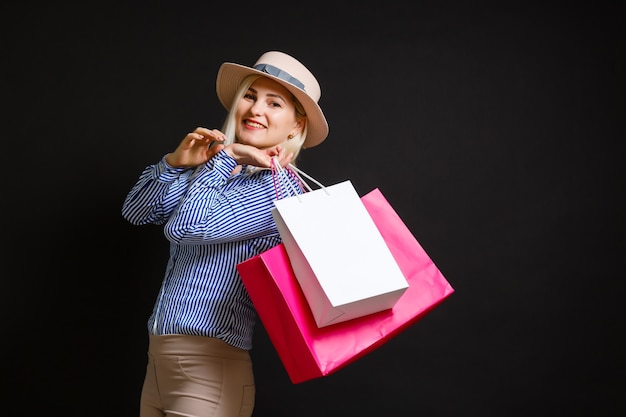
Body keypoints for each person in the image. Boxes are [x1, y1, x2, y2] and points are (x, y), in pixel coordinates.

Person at [121, 51, 328, 417]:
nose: (255, 109)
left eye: (274, 102)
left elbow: (185, 228)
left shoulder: (279, 190)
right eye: (250, 95)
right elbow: (136, 213)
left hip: (209, 370)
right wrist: (174, 163)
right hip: (159, 362)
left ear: (296, 126)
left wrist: (227, 155)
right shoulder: (218, 168)